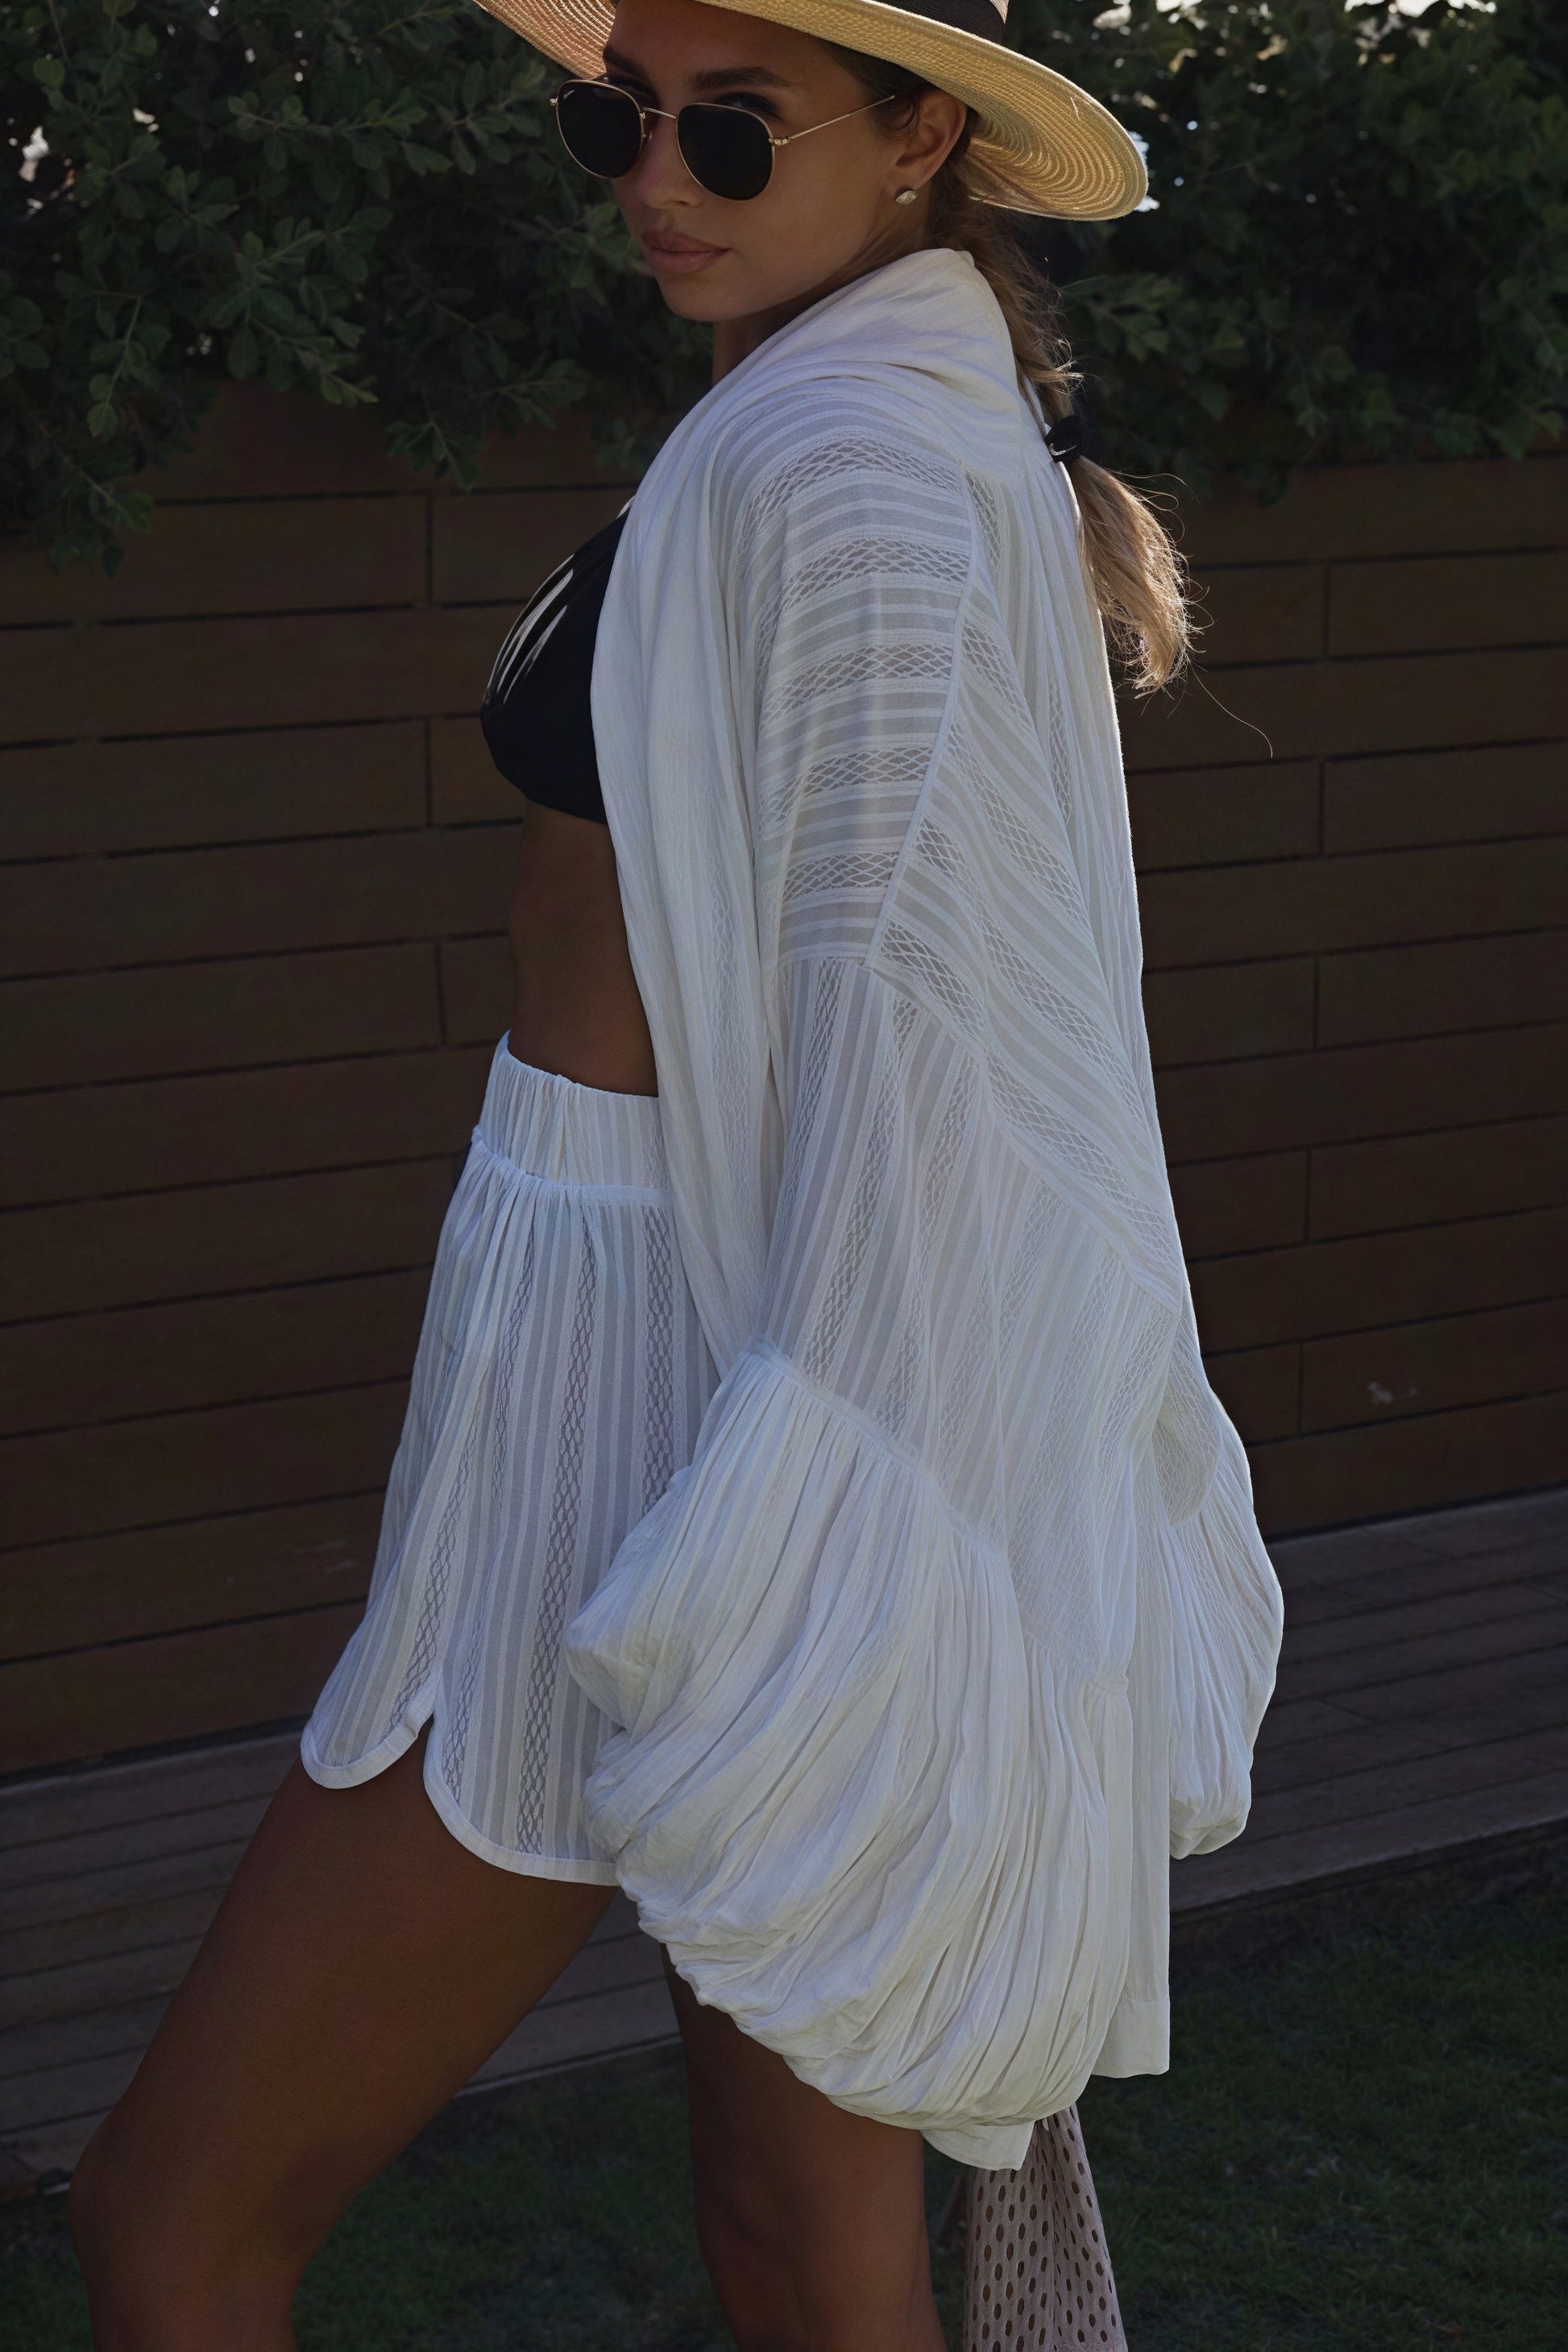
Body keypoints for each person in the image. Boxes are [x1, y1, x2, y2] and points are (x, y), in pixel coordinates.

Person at [68, 0, 1284, 2344]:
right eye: (613, 116)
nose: (652, 181)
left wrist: (846, 1580)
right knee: (801, 2251)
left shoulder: (852, 464)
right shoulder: (838, 416)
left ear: (920, 136)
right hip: (685, 1359)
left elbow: (932, 1046)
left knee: (172, 2221)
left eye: (727, 131)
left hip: (689, 1402)